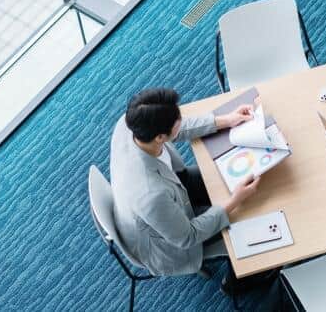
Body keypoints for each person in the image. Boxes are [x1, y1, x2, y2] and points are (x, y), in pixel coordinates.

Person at [110, 87, 260, 277]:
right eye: (177, 120)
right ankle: (237, 284)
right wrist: (234, 200)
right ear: (159, 138)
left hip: (173, 186)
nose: (181, 120)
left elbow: (176, 130)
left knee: (230, 176)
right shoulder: (151, 196)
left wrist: (226, 120)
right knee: (252, 216)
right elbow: (188, 236)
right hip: (174, 242)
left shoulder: (131, 123)